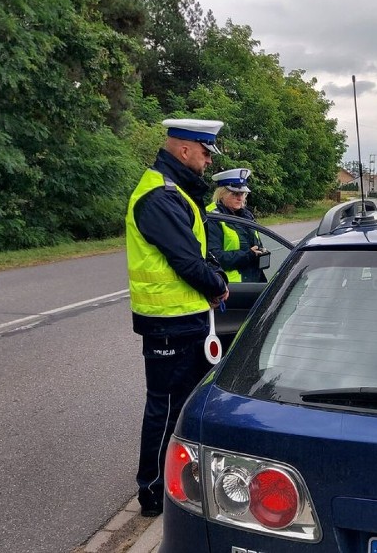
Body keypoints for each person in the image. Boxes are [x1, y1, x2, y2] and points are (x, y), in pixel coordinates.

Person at [125, 118, 230, 517]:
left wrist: (214, 274)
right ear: (184, 149)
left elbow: (199, 250)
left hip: (187, 319)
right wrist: (217, 284)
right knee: (166, 408)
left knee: (187, 405)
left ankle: (184, 478)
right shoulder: (158, 196)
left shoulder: (177, 193)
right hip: (168, 323)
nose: (206, 162)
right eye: (204, 153)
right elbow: (187, 260)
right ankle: (151, 491)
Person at [206, 168, 268, 283]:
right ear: (222, 194)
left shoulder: (246, 215)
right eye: (235, 194)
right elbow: (213, 258)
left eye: (243, 194)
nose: (240, 198)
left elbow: (256, 245)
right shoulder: (213, 217)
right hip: (231, 288)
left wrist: (260, 253)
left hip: (254, 282)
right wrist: (248, 255)